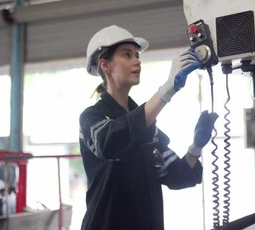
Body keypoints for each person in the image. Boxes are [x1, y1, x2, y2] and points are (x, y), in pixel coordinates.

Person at [79, 25, 218, 230]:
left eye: (137, 55)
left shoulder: (148, 126)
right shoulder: (92, 117)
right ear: (105, 65)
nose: (137, 61)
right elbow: (110, 143)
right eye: (127, 55)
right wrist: (166, 90)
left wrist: (196, 147)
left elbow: (176, 175)